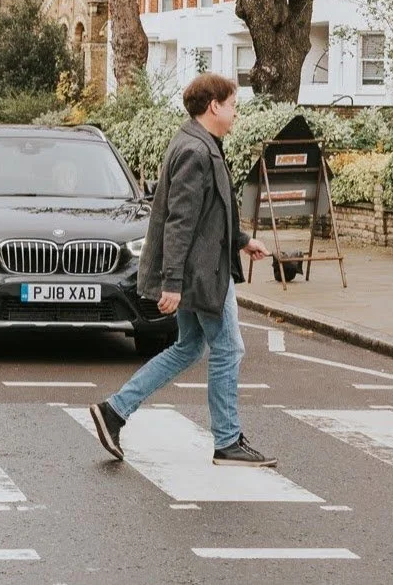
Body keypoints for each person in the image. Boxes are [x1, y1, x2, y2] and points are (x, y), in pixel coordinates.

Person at [89, 73, 275, 468]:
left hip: (200, 267)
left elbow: (210, 211)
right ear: (214, 107)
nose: (235, 113)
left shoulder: (199, 142)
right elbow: (180, 221)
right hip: (200, 272)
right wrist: (172, 282)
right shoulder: (196, 150)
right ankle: (227, 440)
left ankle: (114, 411)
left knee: (190, 346)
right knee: (228, 347)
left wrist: (241, 240)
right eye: (232, 105)